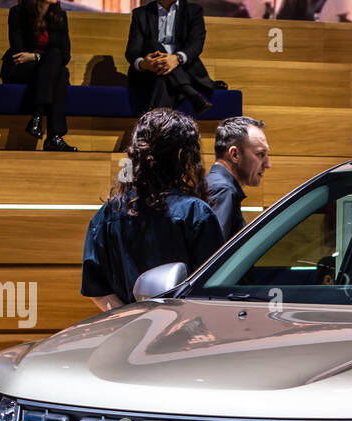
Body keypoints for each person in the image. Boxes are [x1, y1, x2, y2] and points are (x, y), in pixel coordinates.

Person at [81, 108, 225, 310]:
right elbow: (214, 289)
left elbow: (97, 289)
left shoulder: (106, 215)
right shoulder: (195, 213)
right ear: (181, 155)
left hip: (128, 336)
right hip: (185, 333)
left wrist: (132, 321)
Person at [1, 0, 78, 152]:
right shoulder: (18, 13)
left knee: (59, 66)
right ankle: (54, 136)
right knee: (60, 70)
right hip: (21, 70)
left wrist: (35, 57)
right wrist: (40, 58)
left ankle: (37, 116)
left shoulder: (60, 16)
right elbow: (19, 54)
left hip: (48, 70)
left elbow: (65, 55)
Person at [126, 0, 226, 117]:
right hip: (149, 72)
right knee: (153, 46)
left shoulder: (193, 11)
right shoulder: (141, 13)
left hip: (183, 68)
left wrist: (176, 59)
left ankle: (154, 128)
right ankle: (190, 92)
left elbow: (196, 44)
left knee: (162, 79)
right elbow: (132, 51)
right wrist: (143, 63)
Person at [205, 115, 270, 242]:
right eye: (260, 155)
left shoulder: (215, 185)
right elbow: (214, 256)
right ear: (234, 155)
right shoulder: (222, 190)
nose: (268, 164)